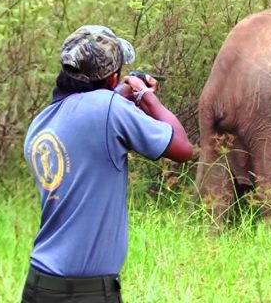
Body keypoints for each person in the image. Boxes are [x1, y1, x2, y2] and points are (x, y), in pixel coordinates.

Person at [21, 25, 193, 302]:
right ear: (113, 77)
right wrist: (144, 95)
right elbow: (182, 148)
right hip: (88, 291)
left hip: (39, 284)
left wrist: (117, 96)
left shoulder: (41, 122)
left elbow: (88, 121)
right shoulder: (109, 108)